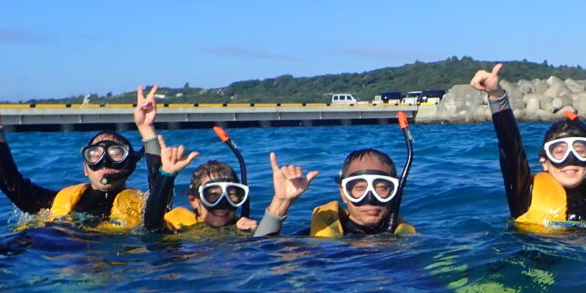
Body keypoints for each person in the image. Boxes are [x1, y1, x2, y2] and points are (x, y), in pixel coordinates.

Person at [470, 63, 586, 229]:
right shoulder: (525, 194)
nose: (570, 160)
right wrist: (496, 96)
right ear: (544, 161)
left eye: (580, 151)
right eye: (559, 152)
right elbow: (511, 149)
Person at [0, 78, 144, 228]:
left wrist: (147, 131)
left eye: (116, 154)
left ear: (129, 166)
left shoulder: (144, 209)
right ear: (85, 168)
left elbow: (159, 194)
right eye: (94, 154)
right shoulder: (57, 202)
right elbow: (11, 185)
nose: (104, 162)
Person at [131, 85, 258, 234]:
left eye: (231, 195)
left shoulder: (244, 229)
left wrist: (258, 233)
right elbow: (151, 227)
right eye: (212, 195)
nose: (222, 204)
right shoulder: (181, 224)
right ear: (193, 200)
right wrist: (166, 173)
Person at [252, 149, 416, 238]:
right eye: (359, 188)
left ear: (395, 192)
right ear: (344, 193)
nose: (370, 199)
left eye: (381, 188)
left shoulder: (407, 240)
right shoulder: (317, 238)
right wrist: (281, 202)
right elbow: (260, 256)